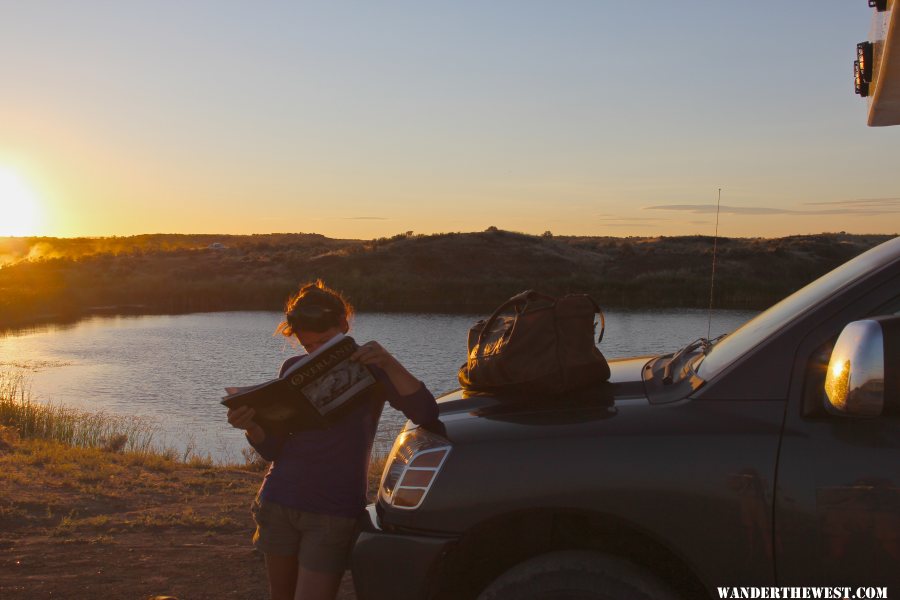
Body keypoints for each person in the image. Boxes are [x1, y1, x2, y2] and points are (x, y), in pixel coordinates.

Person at [227, 281, 439, 600]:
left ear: (343, 324)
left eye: (325, 342)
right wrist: (252, 427)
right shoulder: (292, 368)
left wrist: (388, 361)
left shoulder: (375, 367)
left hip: (332, 510)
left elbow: (425, 412)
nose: (315, 352)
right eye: (309, 347)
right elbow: (273, 449)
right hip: (279, 500)